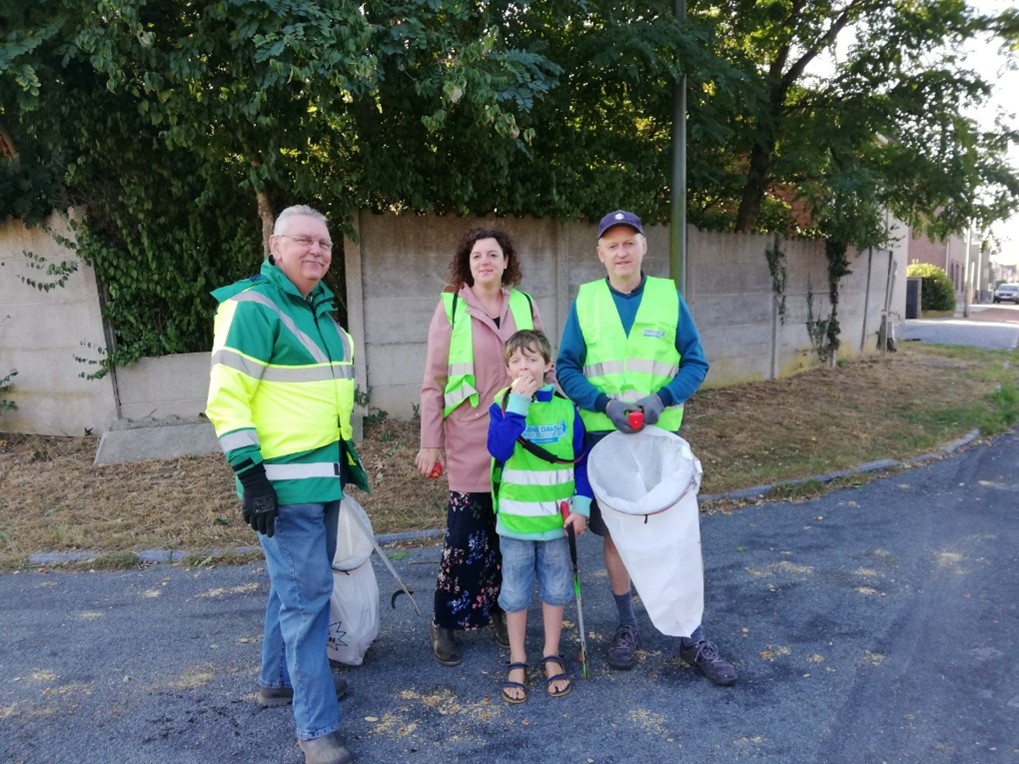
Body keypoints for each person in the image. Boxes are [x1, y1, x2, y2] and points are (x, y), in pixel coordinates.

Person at [206, 205, 366, 764]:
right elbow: (227, 398)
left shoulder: (324, 315)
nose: (316, 250)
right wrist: (250, 476)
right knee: (308, 600)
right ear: (275, 247)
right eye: (304, 240)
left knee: (292, 590)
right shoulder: (254, 306)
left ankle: (279, 680)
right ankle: (316, 728)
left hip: (322, 482)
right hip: (281, 488)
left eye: (324, 243)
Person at [556, 209, 737, 686]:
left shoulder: (667, 297)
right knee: (617, 536)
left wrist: (662, 399)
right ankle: (627, 625)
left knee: (674, 535)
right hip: (605, 437)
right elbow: (566, 367)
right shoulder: (586, 301)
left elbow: (696, 362)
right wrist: (603, 403)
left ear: (643, 247)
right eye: (612, 245)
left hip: (660, 438)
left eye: (629, 243)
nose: (621, 252)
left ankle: (691, 635)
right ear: (600, 254)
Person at [415, 227, 546, 666]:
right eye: (477, 256)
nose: (485, 261)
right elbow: (433, 381)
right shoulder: (452, 307)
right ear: (467, 264)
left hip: (518, 434)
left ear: (507, 261)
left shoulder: (524, 304)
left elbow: (543, 366)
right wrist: (430, 442)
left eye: (493, 254)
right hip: (469, 437)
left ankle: (499, 609)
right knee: (463, 535)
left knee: (507, 531)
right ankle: (446, 620)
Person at [486, 329, 592, 703]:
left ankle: (551, 653)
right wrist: (518, 403)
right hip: (516, 524)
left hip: (556, 525)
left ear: (548, 365)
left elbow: (581, 461)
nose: (523, 367)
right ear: (507, 369)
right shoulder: (502, 404)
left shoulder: (566, 409)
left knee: (556, 590)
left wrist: (582, 506)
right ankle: (517, 658)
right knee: (514, 594)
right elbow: (499, 448)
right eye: (515, 361)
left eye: (532, 359)